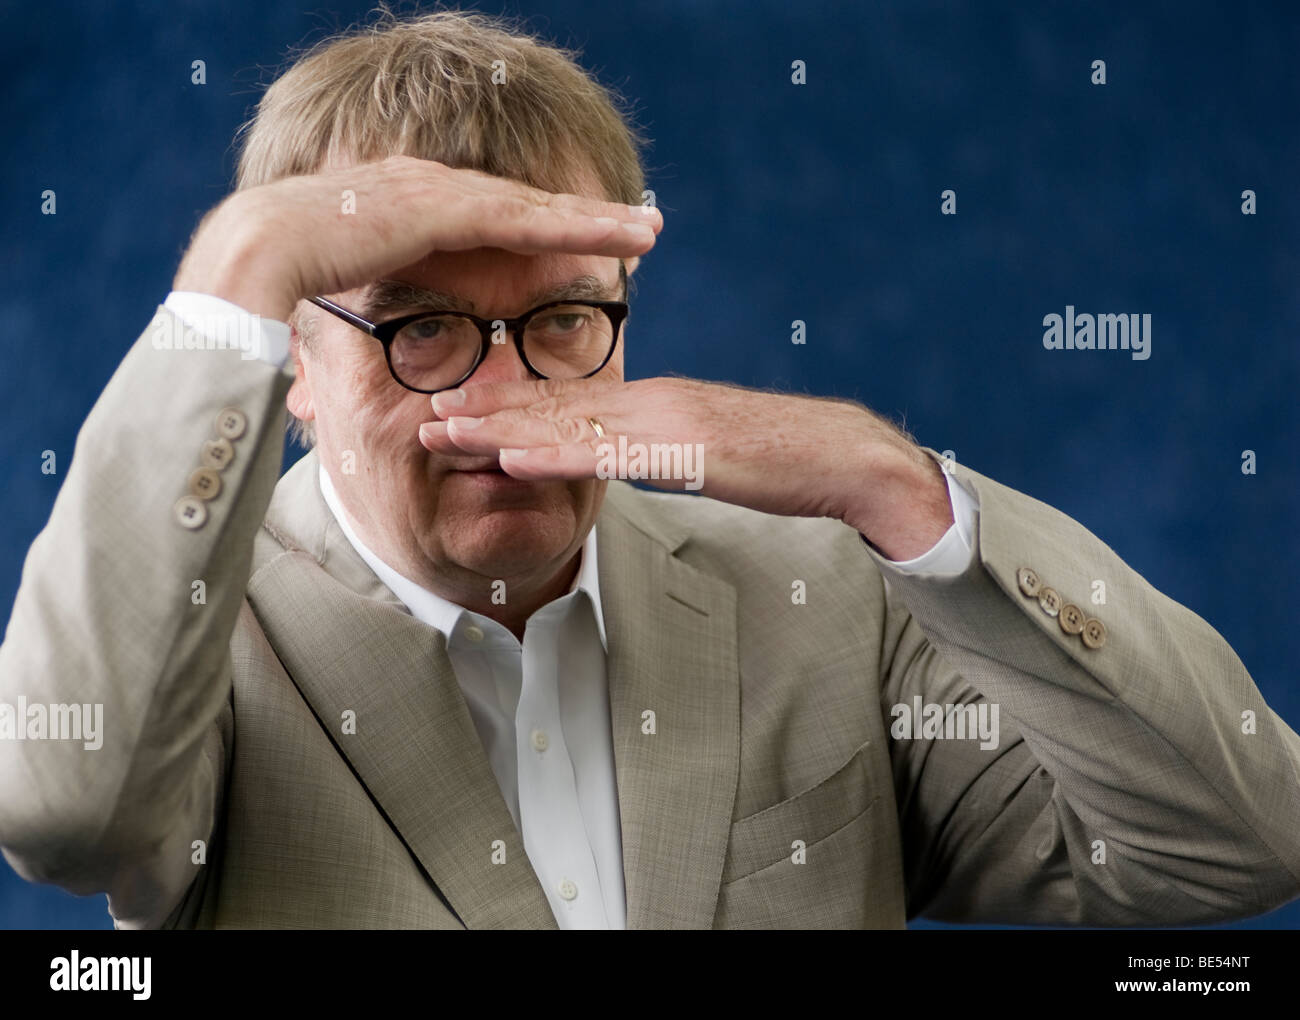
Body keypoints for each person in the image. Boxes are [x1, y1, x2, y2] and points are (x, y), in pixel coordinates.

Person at [1, 8, 1297, 930]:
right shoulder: (189, 649)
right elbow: (59, 808)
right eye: (421, 326)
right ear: (292, 363)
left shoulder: (829, 600)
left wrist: (902, 493)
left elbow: (1238, 850)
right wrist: (237, 265)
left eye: (564, 320)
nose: (501, 404)